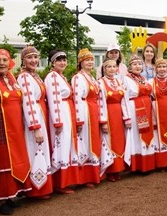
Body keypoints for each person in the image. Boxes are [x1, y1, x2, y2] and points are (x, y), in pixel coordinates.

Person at [0, 49, 31, 215]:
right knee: (1, 159)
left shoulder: (11, 77)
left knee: (14, 159)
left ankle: (10, 194)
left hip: (15, 124)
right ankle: (0, 201)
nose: (2, 63)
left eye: (5, 60)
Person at [16, 46, 53, 200]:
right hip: (33, 117)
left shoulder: (34, 76)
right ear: (23, 60)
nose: (33, 60)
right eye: (29, 57)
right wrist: (35, 127)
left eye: (35, 57)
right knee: (34, 149)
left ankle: (41, 186)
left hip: (40, 113)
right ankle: (34, 189)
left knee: (40, 150)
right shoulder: (24, 77)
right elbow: (29, 101)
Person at [44, 50, 80, 194]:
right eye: (59, 60)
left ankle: (64, 181)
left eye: (64, 60)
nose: (63, 63)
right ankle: (59, 182)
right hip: (60, 112)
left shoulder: (60, 76)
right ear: (52, 63)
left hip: (66, 111)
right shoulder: (52, 77)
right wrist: (57, 122)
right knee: (60, 146)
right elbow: (53, 99)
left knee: (66, 146)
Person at [72, 48, 107, 186]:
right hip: (85, 112)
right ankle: (85, 177)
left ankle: (94, 174)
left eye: (92, 60)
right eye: (87, 60)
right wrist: (79, 119)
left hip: (93, 111)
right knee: (86, 142)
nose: (90, 62)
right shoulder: (78, 77)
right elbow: (77, 99)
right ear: (80, 63)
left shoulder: (92, 78)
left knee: (94, 141)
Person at [99, 58, 132, 182]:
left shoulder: (118, 82)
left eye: (114, 67)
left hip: (118, 114)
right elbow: (100, 102)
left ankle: (118, 169)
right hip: (108, 114)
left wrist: (127, 118)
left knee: (119, 140)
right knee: (108, 140)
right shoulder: (100, 83)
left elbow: (124, 100)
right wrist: (103, 121)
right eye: (109, 67)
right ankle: (110, 170)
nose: (112, 69)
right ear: (104, 69)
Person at [124, 55, 156, 173]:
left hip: (146, 108)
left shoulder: (143, 78)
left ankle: (148, 164)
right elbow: (125, 99)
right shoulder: (126, 79)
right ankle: (138, 165)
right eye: (134, 64)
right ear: (130, 67)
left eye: (139, 64)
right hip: (134, 109)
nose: (137, 66)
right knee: (137, 135)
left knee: (147, 133)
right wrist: (126, 117)